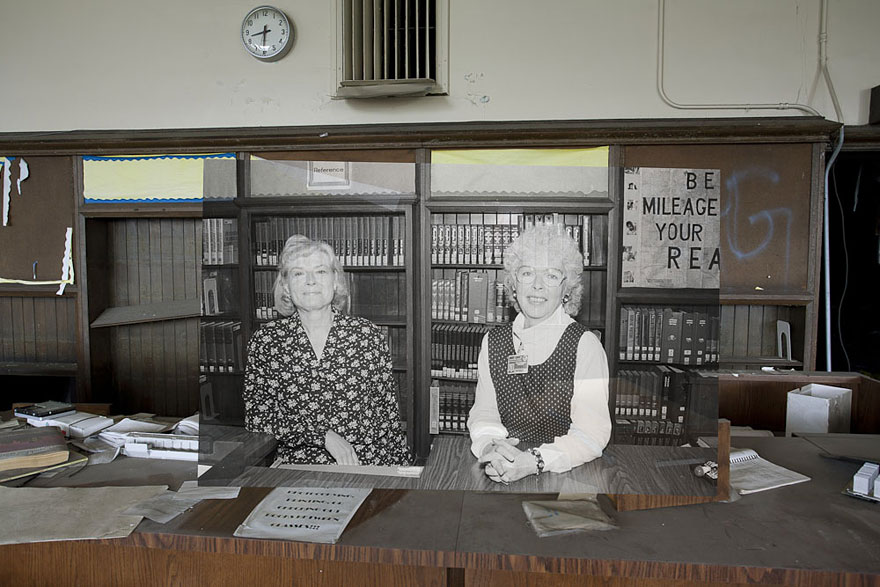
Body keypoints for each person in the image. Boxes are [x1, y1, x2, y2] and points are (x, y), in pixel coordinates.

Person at [243, 234, 410, 466]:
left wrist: (401, 474)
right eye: (299, 273)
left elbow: (388, 415)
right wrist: (321, 435)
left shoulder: (367, 335)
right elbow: (257, 419)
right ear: (286, 287)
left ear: (335, 281)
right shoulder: (266, 342)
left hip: (365, 464)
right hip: (298, 466)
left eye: (320, 271)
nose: (311, 281)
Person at [467, 223, 611, 483]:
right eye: (527, 273)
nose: (537, 286)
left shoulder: (585, 346)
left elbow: (592, 435)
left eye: (551, 276)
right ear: (513, 284)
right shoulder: (493, 342)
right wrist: (491, 449)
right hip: (502, 471)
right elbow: (484, 414)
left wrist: (532, 461)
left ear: (567, 289)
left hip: (566, 478)